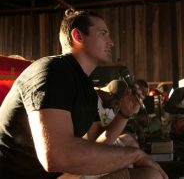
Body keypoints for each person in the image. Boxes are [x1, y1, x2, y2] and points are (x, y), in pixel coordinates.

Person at [0, 9, 167, 179]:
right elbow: (56, 156)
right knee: (149, 175)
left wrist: (123, 114)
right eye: (103, 34)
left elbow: (97, 144)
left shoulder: (85, 86)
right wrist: (134, 155)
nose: (111, 42)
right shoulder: (53, 71)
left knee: (147, 172)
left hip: (62, 174)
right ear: (78, 36)